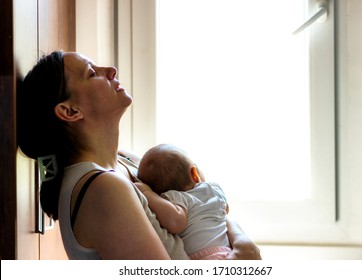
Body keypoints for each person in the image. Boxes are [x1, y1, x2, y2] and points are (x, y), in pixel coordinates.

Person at [17, 50, 261, 260]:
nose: (111, 70)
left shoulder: (127, 161)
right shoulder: (103, 187)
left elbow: (203, 204)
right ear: (70, 111)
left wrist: (242, 241)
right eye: (92, 72)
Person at [136, 143, 232, 260]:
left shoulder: (176, 198)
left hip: (206, 257)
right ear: (194, 173)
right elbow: (226, 209)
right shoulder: (214, 188)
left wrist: (147, 193)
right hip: (227, 251)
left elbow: (175, 223)